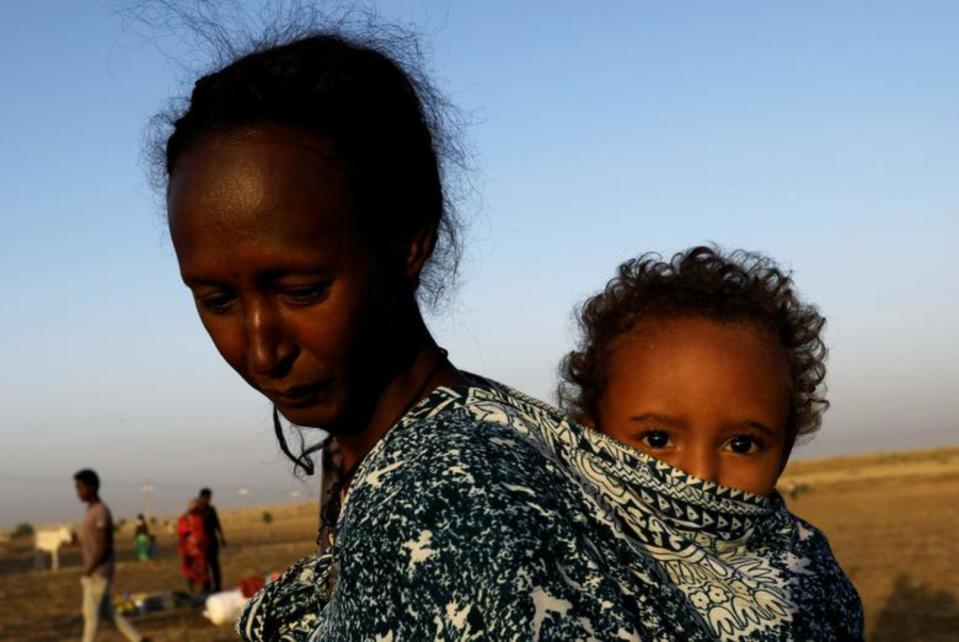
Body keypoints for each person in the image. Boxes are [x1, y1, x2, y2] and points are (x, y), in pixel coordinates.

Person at [157, 26, 861, 641]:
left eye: (302, 290)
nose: (260, 345)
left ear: (406, 242)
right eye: (216, 299)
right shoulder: (485, 438)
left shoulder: (434, 496)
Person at [559, 246, 865, 638]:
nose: (700, 475)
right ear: (591, 440)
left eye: (741, 445)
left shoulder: (811, 579)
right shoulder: (563, 558)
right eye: (657, 439)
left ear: (784, 452)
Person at [73, 469, 148, 642]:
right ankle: (138, 639)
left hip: (98, 571)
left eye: (81, 488)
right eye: (77, 488)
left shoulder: (100, 512)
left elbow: (104, 545)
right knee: (108, 613)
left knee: (90, 616)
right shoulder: (91, 510)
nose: (78, 492)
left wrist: (89, 571)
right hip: (96, 570)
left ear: (92, 488)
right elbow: (93, 541)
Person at [197, 487, 226, 592]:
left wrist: (222, 537)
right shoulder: (197, 511)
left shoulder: (211, 509)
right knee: (203, 566)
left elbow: (217, 524)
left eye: (209, 498)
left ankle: (217, 586)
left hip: (212, 541)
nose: (209, 500)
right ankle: (206, 587)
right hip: (201, 543)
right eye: (207, 497)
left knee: (214, 565)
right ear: (202, 497)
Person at [176, 499, 208, 594]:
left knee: (201, 569)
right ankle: (193, 589)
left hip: (199, 548)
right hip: (191, 548)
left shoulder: (201, 517)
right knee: (192, 569)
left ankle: (202, 589)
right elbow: (182, 533)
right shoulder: (186, 519)